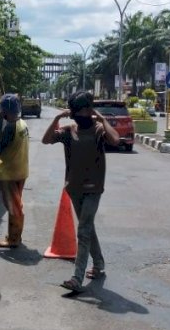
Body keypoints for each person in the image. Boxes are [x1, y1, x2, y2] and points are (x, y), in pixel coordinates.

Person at [41, 91, 120, 292]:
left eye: (80, 110)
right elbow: (46, 139)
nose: (76, 114)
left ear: (88, 110)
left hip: (94, 188)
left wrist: (101, 117)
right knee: (88, 228)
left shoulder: (98, 129)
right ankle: (99, 264)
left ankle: (77, 278)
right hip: (74, 188)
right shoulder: (69, 130)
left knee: (83, 230)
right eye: (73, 111)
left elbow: (115, 140)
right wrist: (58, 118)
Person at [0, 93, 29, 248]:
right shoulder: (22, 124)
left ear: (6, 111)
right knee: (16, 204)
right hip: (20, 170)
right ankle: (14, 235)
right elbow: (11, 144)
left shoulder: (10, 127)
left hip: (9, 172)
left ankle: (13, 239)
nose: (0, 113)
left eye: (2, 110)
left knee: (12, 206)